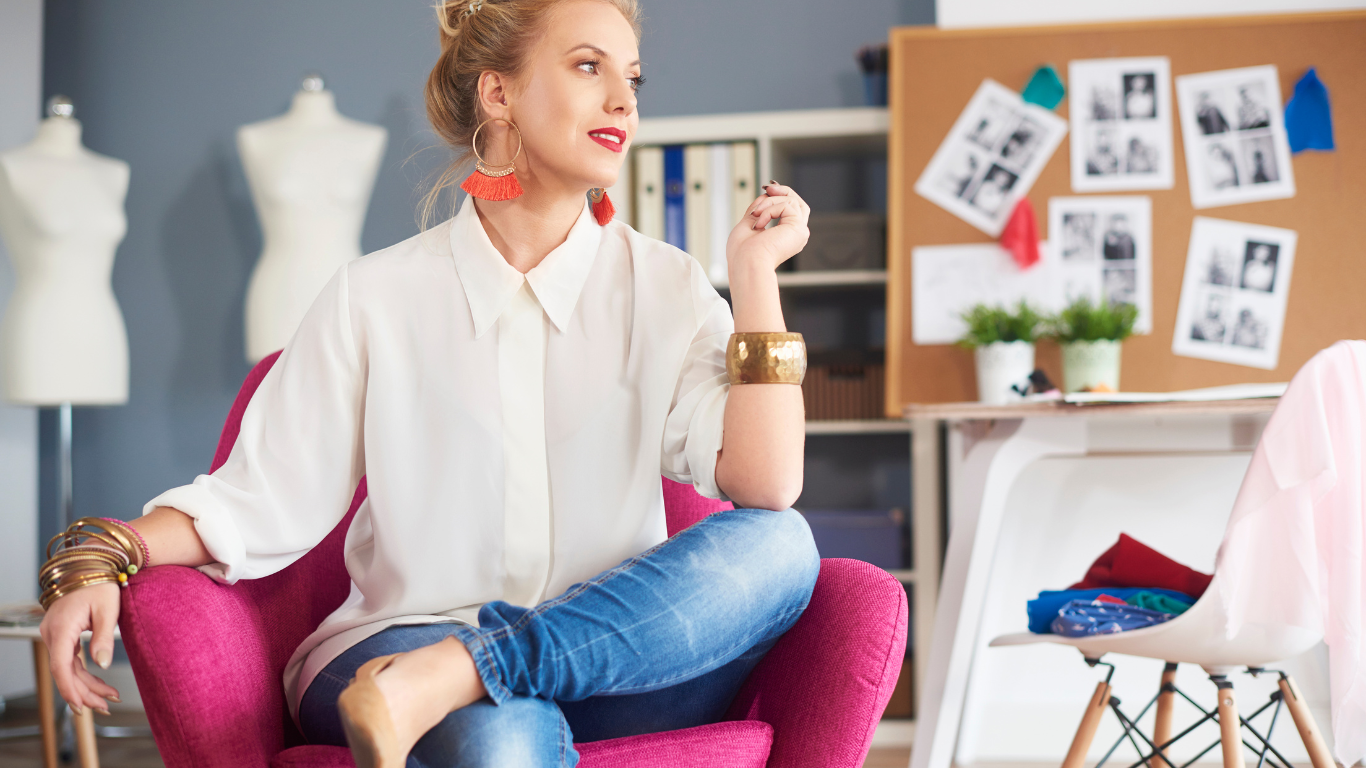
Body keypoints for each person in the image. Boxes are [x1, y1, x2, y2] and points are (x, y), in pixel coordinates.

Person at [36, 2, 822, 767]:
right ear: (499, 92)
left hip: (613, 663)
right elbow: (256, 500)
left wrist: (754, 275)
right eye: (589, 67)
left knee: (782, 544)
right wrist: (104, 554)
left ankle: (467, 669)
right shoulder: (373, 297)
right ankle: (456, 676)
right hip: (398, 643)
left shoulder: (669, 287)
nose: (624, 99)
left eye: (634, 78)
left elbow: (766, 483)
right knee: (497, 735)